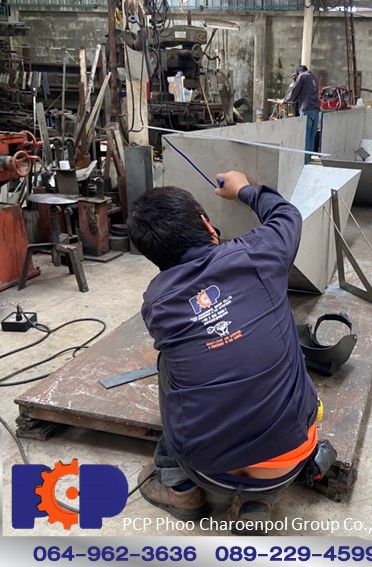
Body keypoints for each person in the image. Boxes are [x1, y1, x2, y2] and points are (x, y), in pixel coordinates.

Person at [128, 171, 321, 535]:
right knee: (276, 338)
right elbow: (287, 214)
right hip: (291, 458)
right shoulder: (261, 253)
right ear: (207, 224)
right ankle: (258, 499)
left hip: (209, 470)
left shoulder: (157, 304)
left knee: (171, 364)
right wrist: (243, 189)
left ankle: (180, 488)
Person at [284, 65, 321, 164]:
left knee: (305, 135)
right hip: (315, 109)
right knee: (311, 135)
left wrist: (285, 100)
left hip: (306, 109)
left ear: (299, 72)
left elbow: (295, 90)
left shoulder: (302, 76)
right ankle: (308, 159)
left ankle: (303, 160)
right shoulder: (313, 77)